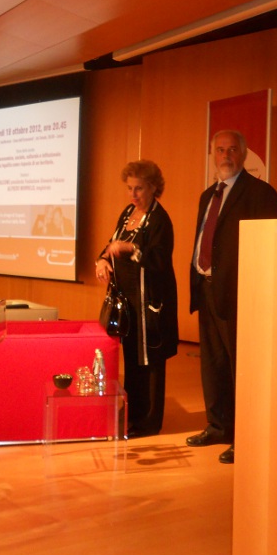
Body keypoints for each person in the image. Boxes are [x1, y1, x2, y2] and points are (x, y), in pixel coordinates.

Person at [187, 129, 277, 464]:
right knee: (213, 365)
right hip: (207, 288)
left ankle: (246, 436)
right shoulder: (207, 196)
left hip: (242, 294)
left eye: (231, 150)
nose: (225, 155)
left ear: (243, 154)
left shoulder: (261, 193)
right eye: (220, 150)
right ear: (212, 155)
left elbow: (275, 245)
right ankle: (219, 426)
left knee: (242, 369)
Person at [96, 160, 178, 438]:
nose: (133, 194)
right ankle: (132, 415)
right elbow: (112, 244)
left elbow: (159, 260)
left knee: (150, 362)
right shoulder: (128, 213)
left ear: (153, 187)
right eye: (129, 188)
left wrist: (131, 248)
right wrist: (102, 260)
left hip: (151, 304)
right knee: (132, 360)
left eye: (139, 189)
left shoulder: (159, 220)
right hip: (129, 302)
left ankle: (149, 423)